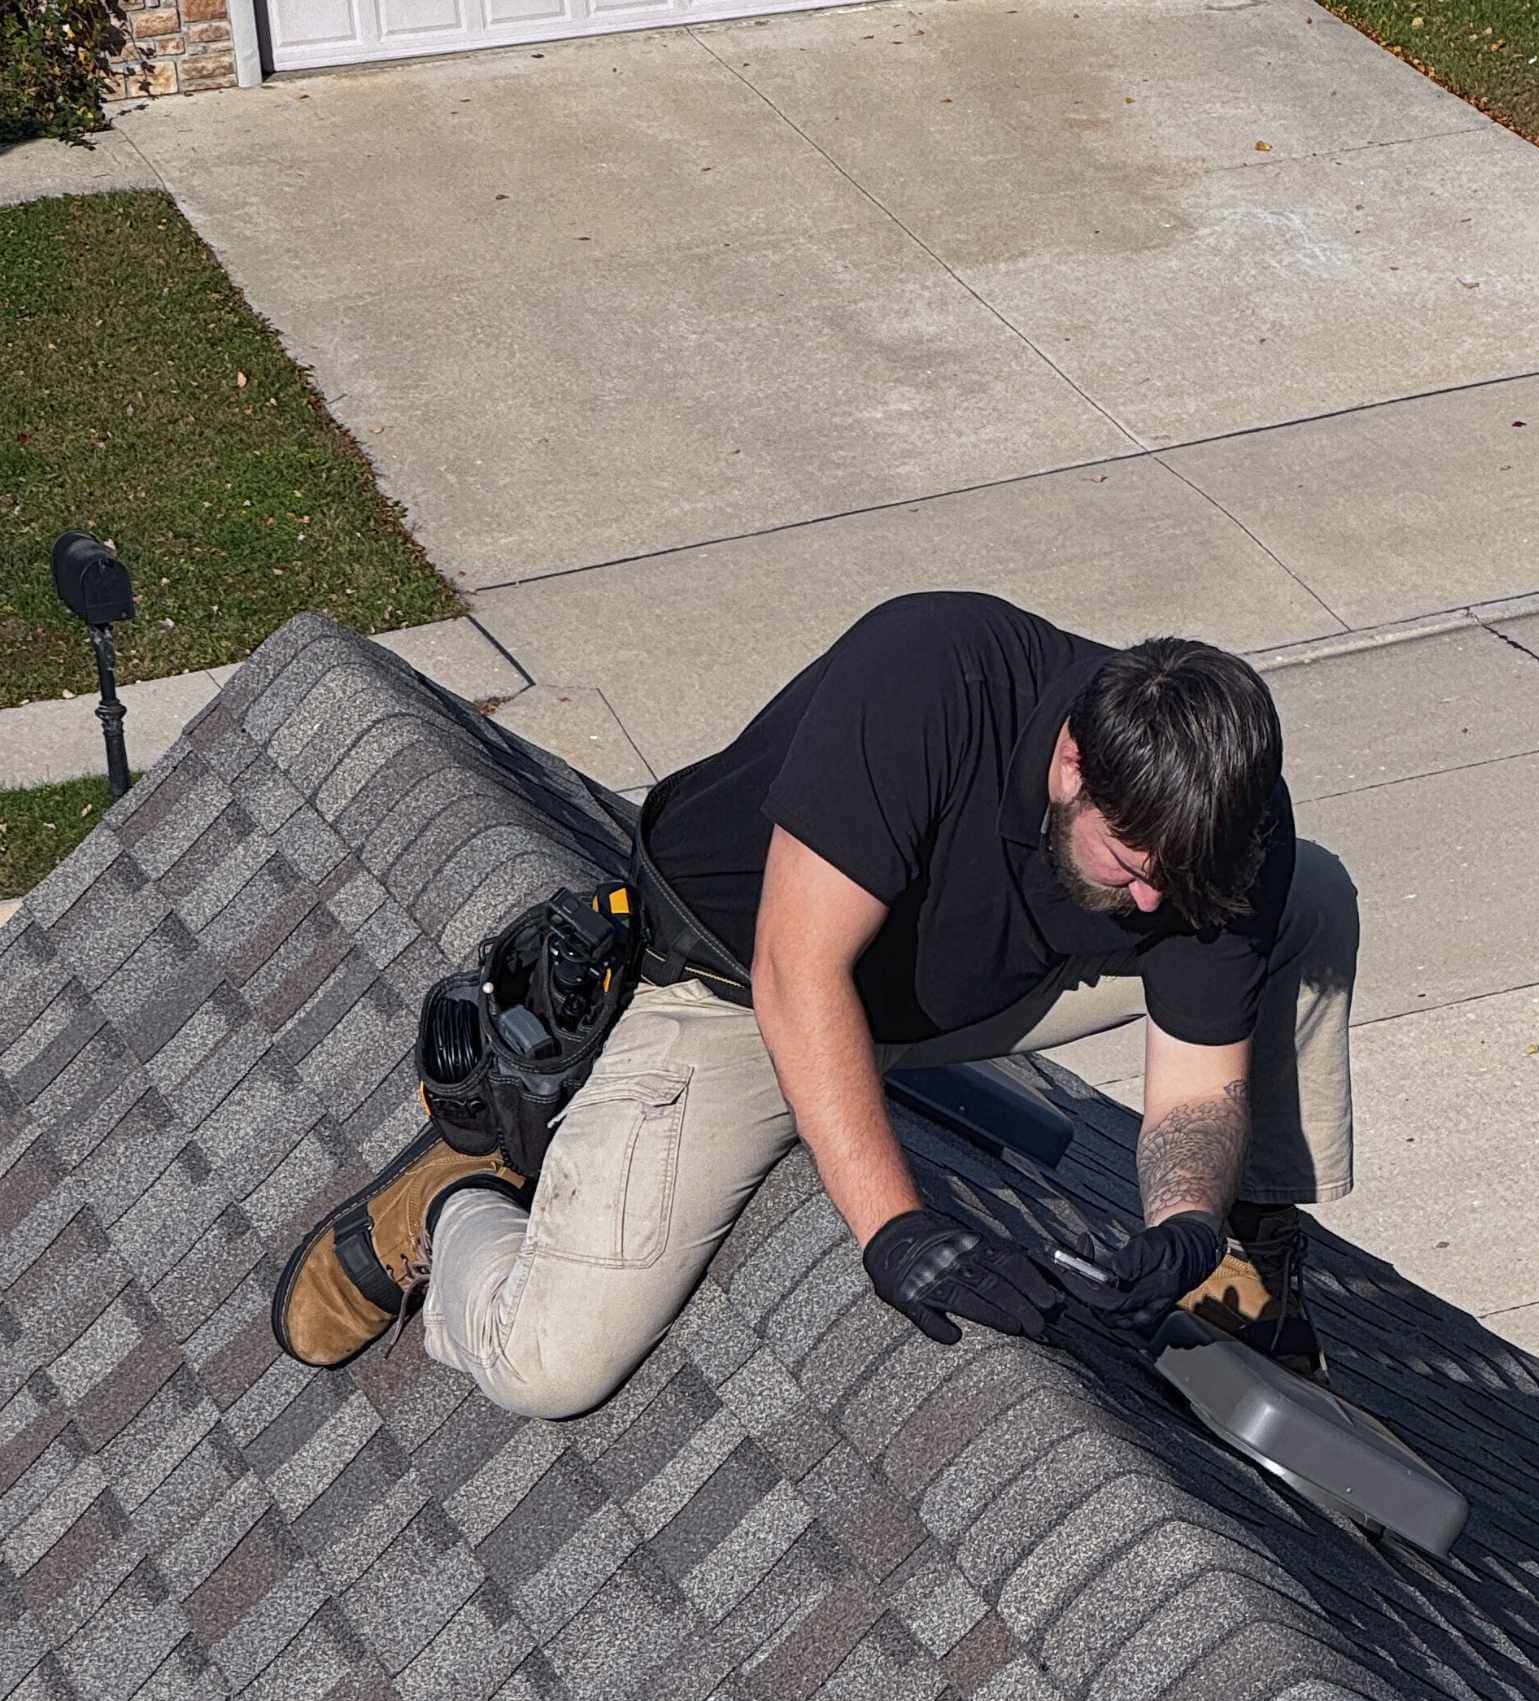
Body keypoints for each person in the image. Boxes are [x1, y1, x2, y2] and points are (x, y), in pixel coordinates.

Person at [275, 592, 1359, 1417]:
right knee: (547, 1362)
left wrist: (1183, 1221)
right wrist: (896, 1227)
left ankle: (1244, 1262)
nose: (1153, 902)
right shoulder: (931, 679)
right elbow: (798, 976)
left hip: (955, 996)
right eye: (1129, 867)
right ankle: (451, 1206)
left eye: (1175, 881)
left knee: (1306, 899)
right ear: (1072, 759)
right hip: (737, 989)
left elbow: (1197, 1081)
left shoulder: (1220, 828)